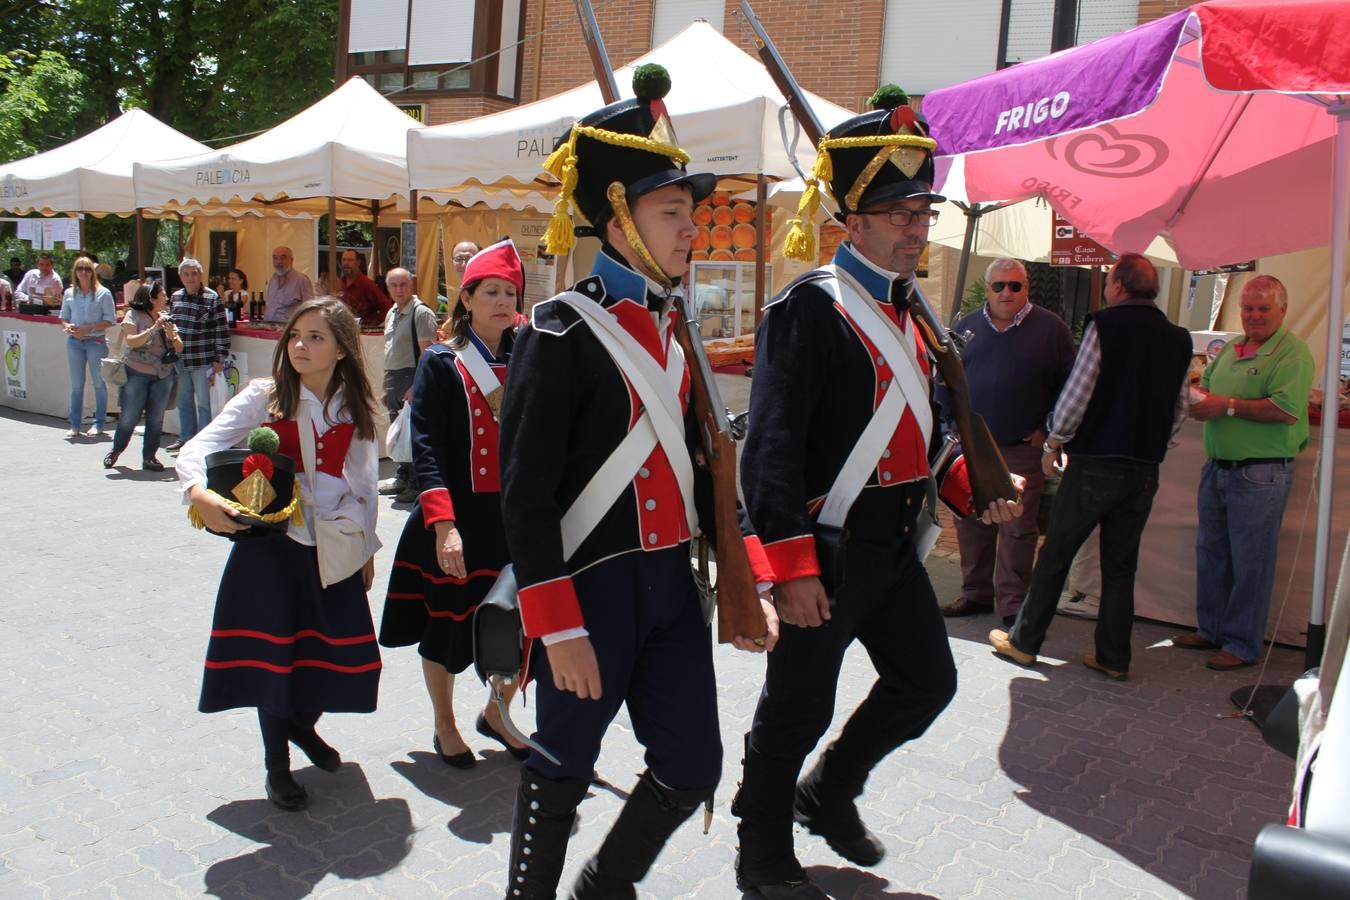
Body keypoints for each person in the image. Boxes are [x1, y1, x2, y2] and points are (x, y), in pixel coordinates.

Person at [733, 89, 1022, 899]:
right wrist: (786, 569)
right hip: (824, 549)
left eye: (922, 211)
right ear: (850, 222)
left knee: (927, 682)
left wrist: (975, 488)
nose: (915, 227)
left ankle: (825, 791)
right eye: (896, 212)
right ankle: (760, 854)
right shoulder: (808, 311)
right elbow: (771, 456)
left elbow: (928, 436)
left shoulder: (915, 314)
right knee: (794, 710)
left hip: (893, 542)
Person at [497, 66, 777, 898]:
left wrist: (750, 573)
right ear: (619, 221)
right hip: (587, 590)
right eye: (672, 213)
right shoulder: (557, 331)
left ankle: (604, 885)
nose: (694, 231)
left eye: (692, 214)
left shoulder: (675, 329)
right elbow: (525, 496)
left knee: (694, 767)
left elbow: (705, 469)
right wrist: (556, 626)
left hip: (671, 588)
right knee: (561, 771)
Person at [177, 297, 382, 812]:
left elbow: (366, 485)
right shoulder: (262, 398)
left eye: (315, 337)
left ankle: (300, 727)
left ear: (341, 350)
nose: (300, 346)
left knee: (335, 655)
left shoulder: (352, 405)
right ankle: (277, 768)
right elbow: (197, 450)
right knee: (275, 661)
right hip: (270, 551)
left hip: (332, 551)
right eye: (295, 335)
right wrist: (198, 494)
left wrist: (366, 550)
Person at [990, 253, 1193, 681]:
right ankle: (1113, 656)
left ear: (1118, 285)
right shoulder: (1179, 338)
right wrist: (1157, 444)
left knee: (1057, 553)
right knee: (1121, 564)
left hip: (1097, 459)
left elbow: (1079, 391)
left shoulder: (1105, 326)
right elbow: (1180, 406)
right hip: (1144, 466)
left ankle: (1025, 643)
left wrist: (1056, 437)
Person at [380, 241, 532, 768]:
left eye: (510, 293)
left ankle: (497, 713)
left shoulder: (530, 360)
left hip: (513, 520)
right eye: (490, 291)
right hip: (458, 517)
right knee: (447, 625)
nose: (501, 301)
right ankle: (444, 722)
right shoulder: (442, 363)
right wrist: (444, 524)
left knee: (520, 625)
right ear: (466, 299)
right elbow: (427, 446)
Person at [1179, 275, 1314, 670]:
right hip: (1218, 466)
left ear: (1282, 311)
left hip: (1260, 473)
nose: (1254, 315)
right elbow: (1208, 386)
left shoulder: (1293, 353)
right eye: (1248, 307)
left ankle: (1240, 644)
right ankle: (1211, 630)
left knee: (1250, 560)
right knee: (1212, 553)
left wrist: (1228, 406)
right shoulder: (1232, 346)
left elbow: (1287, 411)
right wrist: (1198, 398)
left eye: (1263, 308)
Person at [940, 258, 1075, 627]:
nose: (1006, 292)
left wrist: (1047, 430)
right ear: (987, 289)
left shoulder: (1051, 330)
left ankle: (1014, 603)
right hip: (972, 446)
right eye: (998, 285)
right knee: (971, 520)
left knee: (1018, 527)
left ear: (1025, 287)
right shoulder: (965, 328)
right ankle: (976, 594)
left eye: (1014, 286)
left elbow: (1070, 387)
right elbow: (945, 383)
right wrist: (951, 428)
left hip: (1022, 446)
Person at [105, 281, 182, 471]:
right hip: (136, 372)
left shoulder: (167, 318)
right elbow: (132, 341)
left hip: (163, 374)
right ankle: (117, 449)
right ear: (152, 298)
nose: (166, 298)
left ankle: (149, 457)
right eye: (163, 295)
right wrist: (154, 328)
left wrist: (172, 335)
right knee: (130, 415)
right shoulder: (134, 315)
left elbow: (179, 348)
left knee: (156, 418)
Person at [376, 266, 438, 503]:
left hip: (411, 376)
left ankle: (416, 482)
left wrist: (417, 386)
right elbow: (388, 350)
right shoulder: (392, 312)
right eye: (394, 285)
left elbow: (428, 354)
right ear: (388, 287)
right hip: (394, 377)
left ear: (411, 285)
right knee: (397, 431)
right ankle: (403, 476)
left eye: (403, 285)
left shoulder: (420, 313)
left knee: (414, 433)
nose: (398, 289)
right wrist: (385, 384)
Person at [165, 257, 227, 450]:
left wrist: (219, 357)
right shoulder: (175, 297)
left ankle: (204, 442)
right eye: (186, 274)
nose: (190, 278)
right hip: (181, 359)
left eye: (194, 274)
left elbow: (221, 329)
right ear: (180, 276)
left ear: (200, 275)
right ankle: (186, 438)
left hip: (203, 358)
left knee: (204, 403)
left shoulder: (212, 298)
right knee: (184, 400)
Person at [58, 256, 117, 438]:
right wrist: (67, 326)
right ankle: (75, 424)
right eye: (80, 268)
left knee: (99, 383)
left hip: (95, 341)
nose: (83, 272)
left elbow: (110, 320)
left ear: (93, 272)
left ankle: (99, 423)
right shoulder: (69, 293)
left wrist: (88, 328)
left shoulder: (103, 293)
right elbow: (64, 316)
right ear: (75, 272)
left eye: (87, 269)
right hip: (74, 342)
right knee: (77, 385)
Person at [338, 249, 391, 328]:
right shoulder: (339, 283)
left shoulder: (367, 284)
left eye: (350, 260)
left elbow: (387, 307)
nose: (346, 263)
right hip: (343, 331)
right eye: (344, 260)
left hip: (362, 333)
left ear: (358, 263)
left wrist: (370, 325)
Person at [262, 246, 314, 323]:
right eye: (275, 258)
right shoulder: (272, 280)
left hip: (289, 330)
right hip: (269, 329)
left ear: (291, 260)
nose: (278, 261)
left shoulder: (301, 280)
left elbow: (309, 309)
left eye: (283, 258)